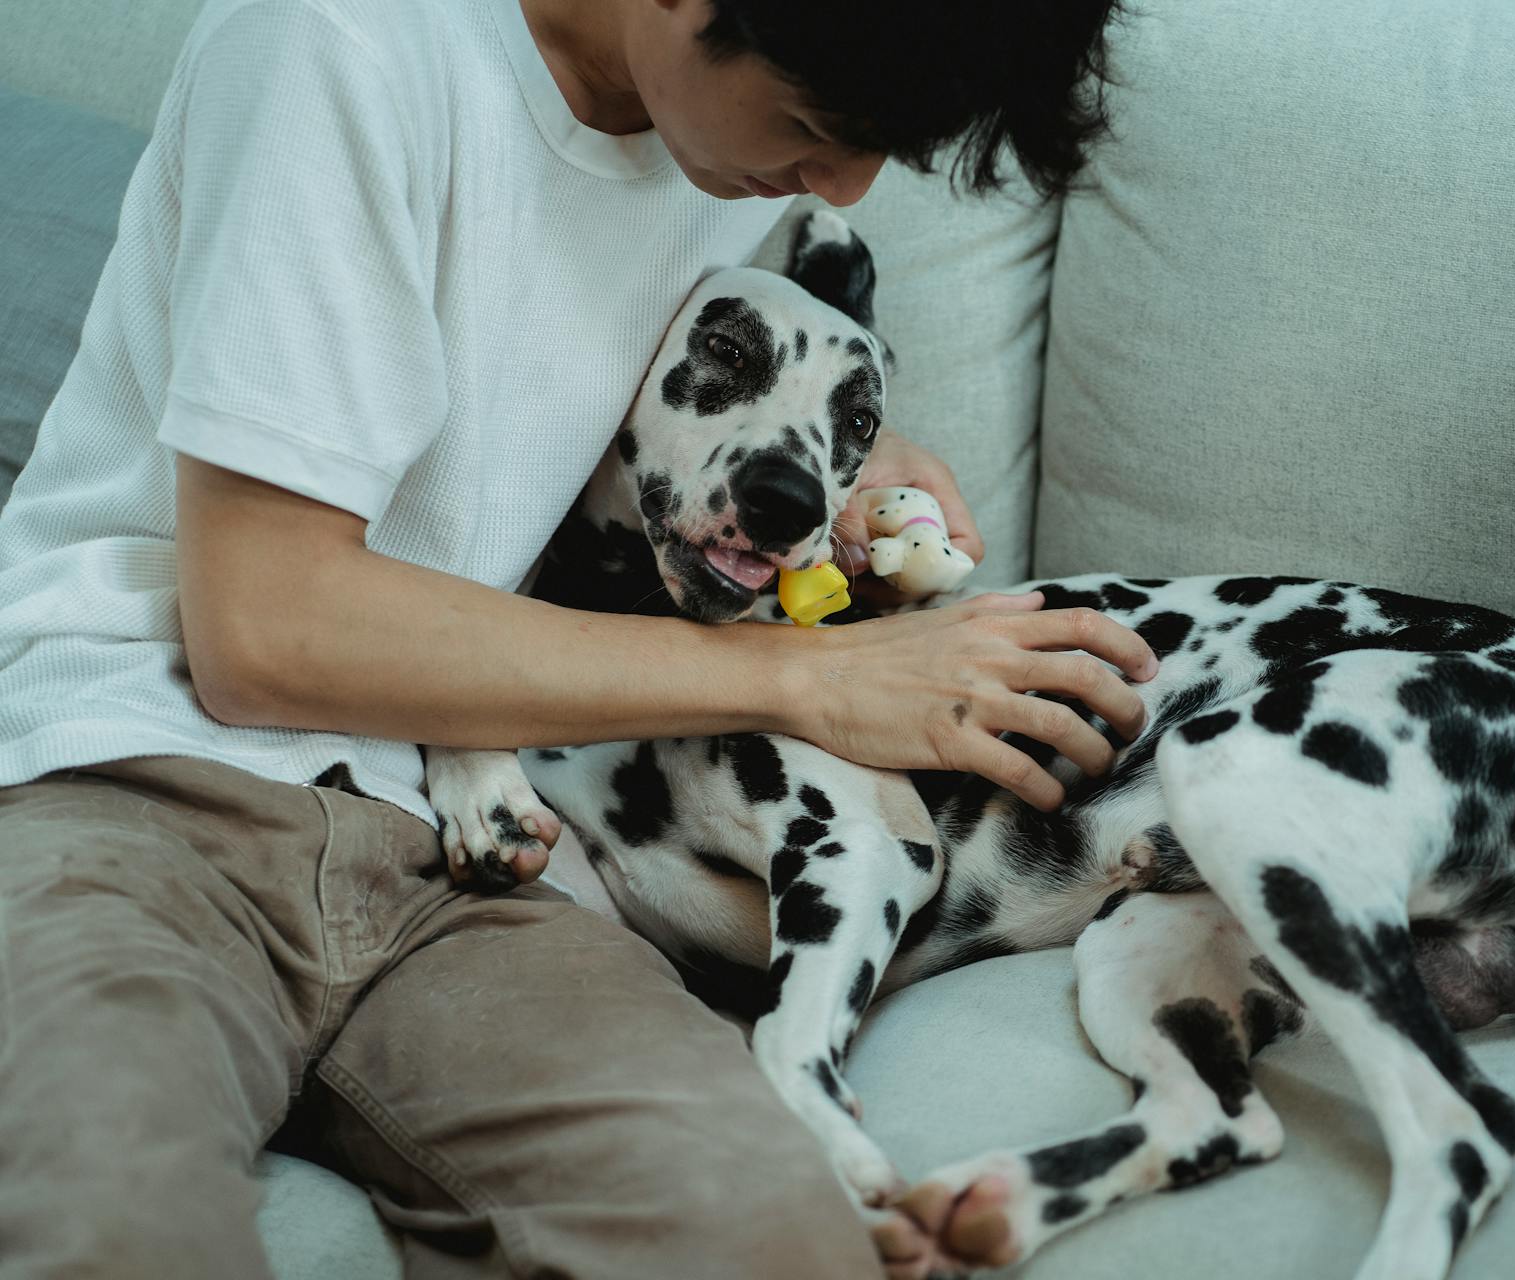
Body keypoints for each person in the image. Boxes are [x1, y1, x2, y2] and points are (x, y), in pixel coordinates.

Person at [0, 0, 1147, 1276]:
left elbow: (599, 404)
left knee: (768, 1244)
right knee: (104, 1229)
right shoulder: (341, 42)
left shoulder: (710, 146)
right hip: (137, 777)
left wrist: (864, 468)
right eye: (824, 128)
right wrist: (812, 677)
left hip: (486, 847)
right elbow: (265, 630)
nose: (847, 187)